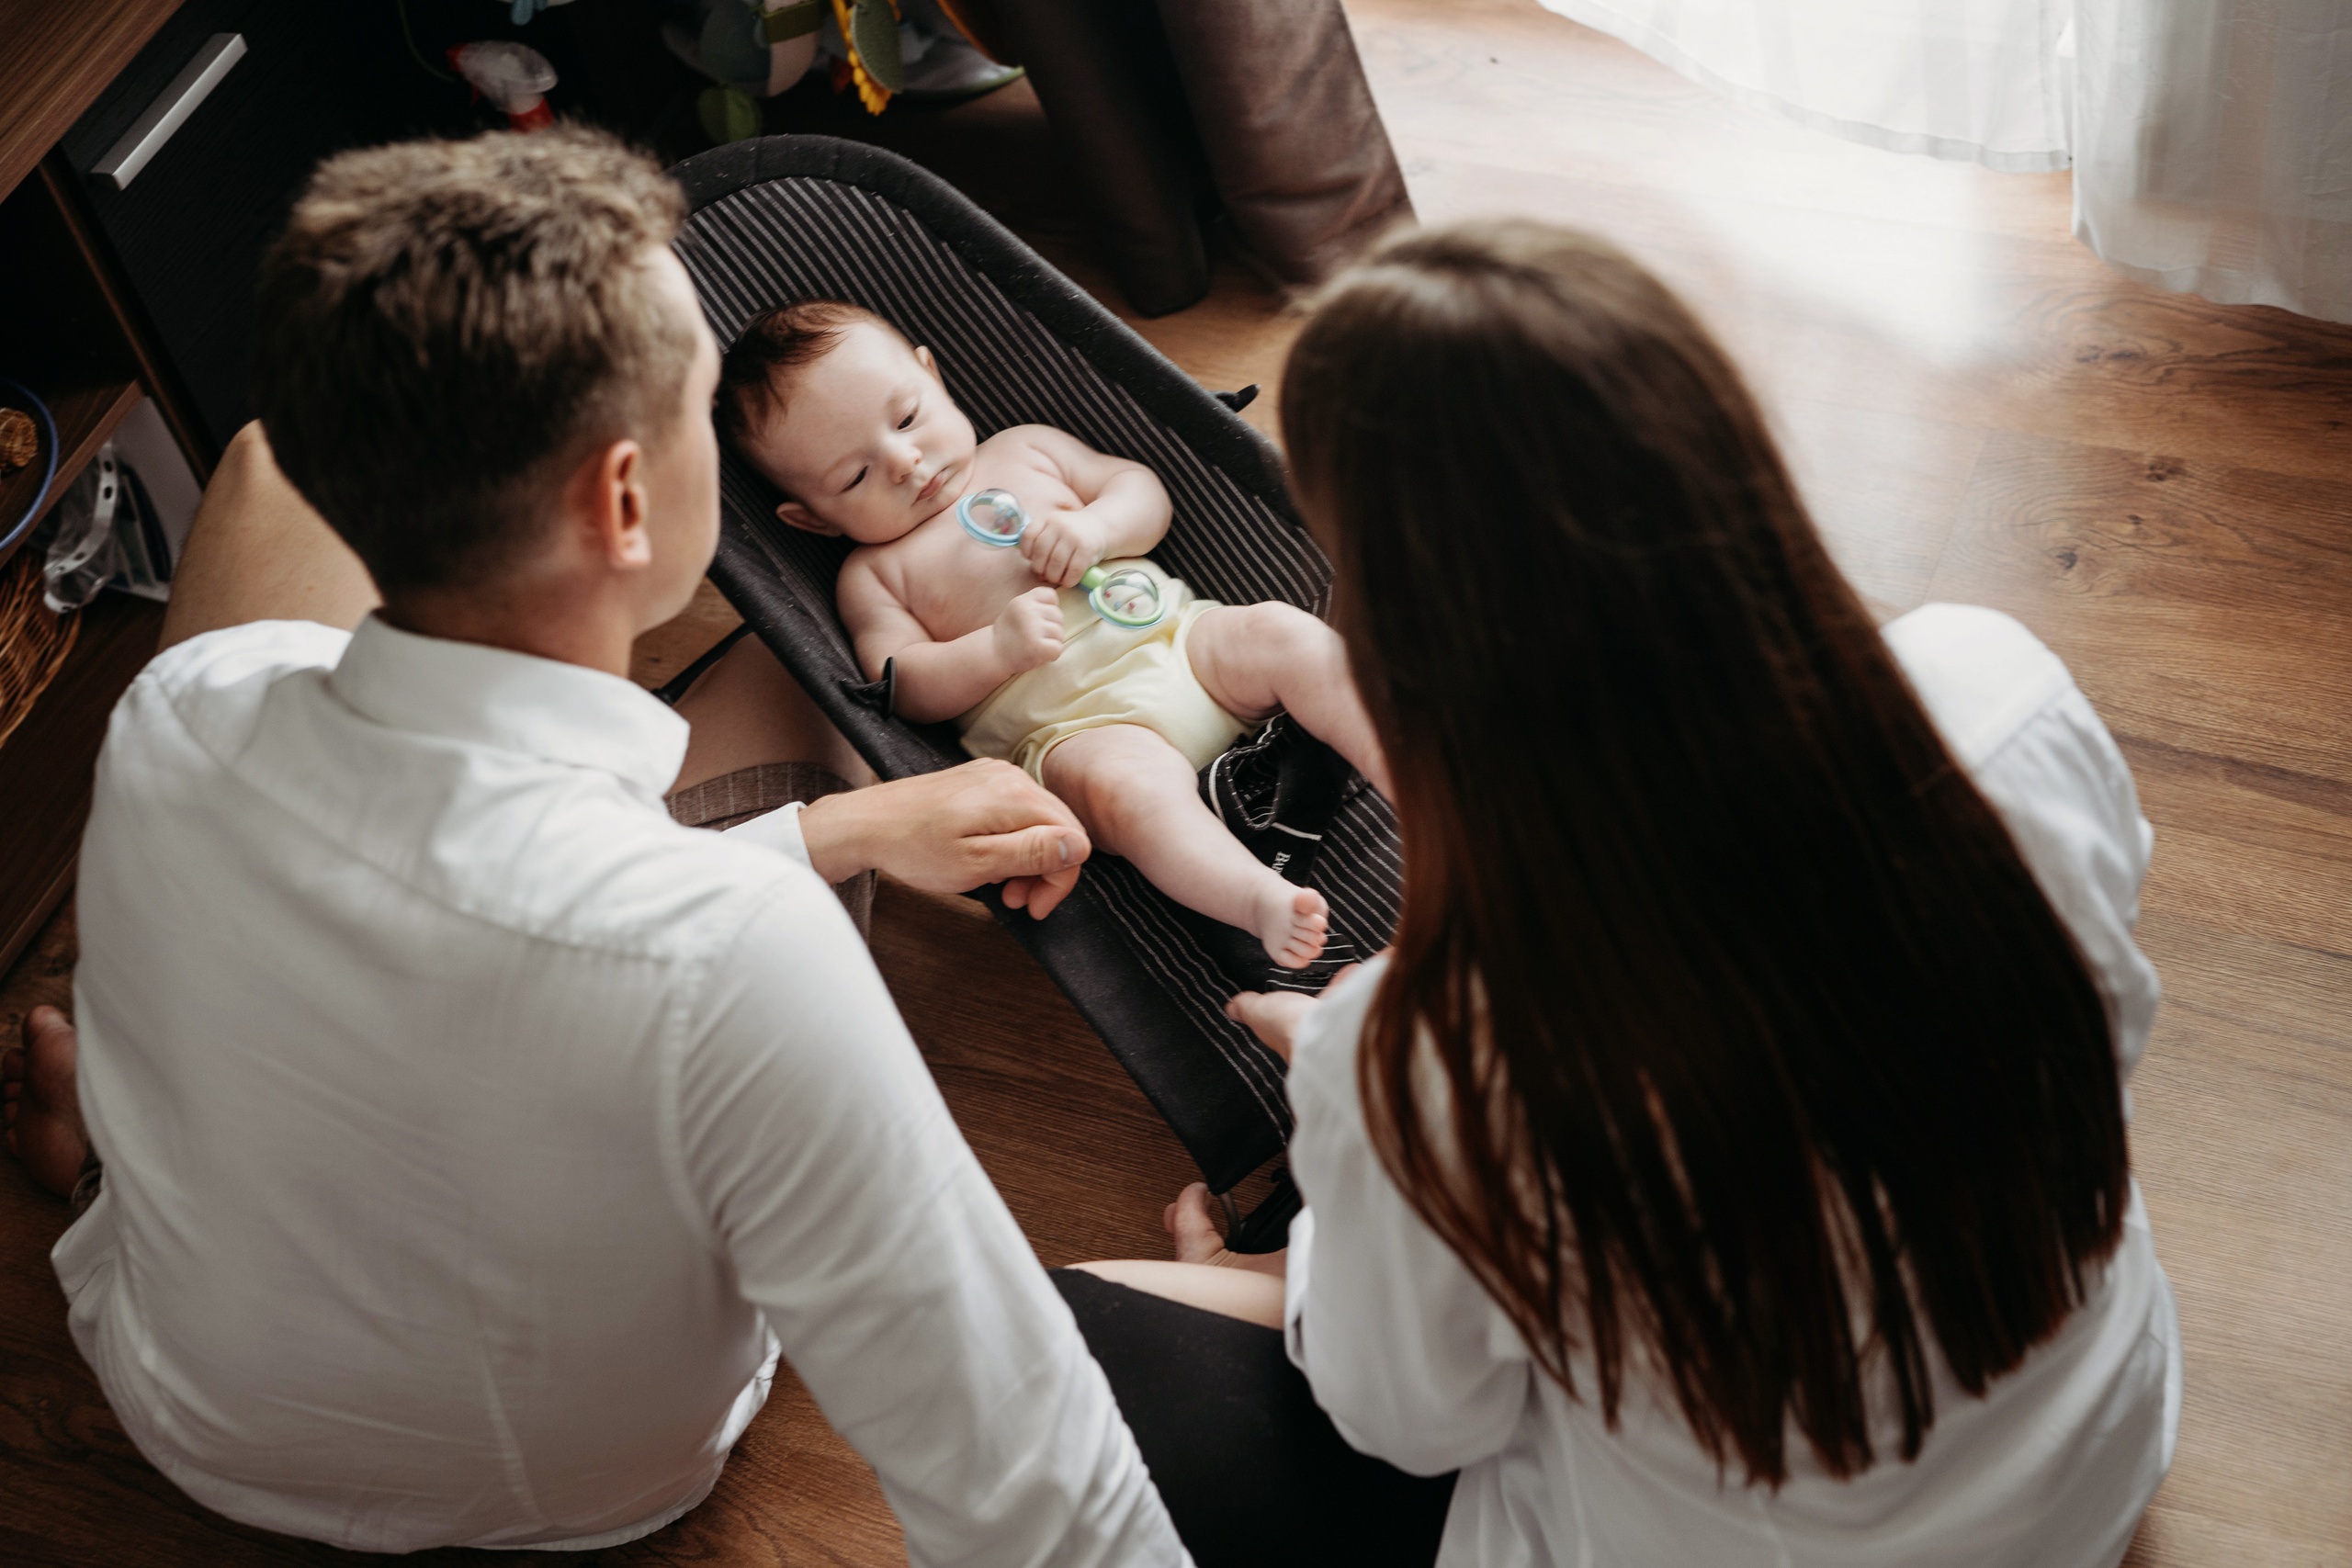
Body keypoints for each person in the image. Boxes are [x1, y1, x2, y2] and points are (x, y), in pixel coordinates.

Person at [0, 127, 1190, 1563]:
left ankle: (107, 1157)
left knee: (257, 479)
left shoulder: (181, 705)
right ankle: (108, 1145)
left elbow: (506, 932)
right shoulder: (742, 956)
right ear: (628, 500)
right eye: (698, 407)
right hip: (566, 1491)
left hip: (178, 1394)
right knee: (800, 700)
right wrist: (832, 836)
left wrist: (832, 832)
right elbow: (1041, 1490)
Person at [1073, 220, 2180, 1567]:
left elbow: (1409, 1423)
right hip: (2088, 1451)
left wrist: (1348, 1143)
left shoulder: (1429, 1058)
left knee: (1068, 1326)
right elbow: (2090, 1020)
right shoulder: (1995, 692)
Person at [719, 300, 1389, 969]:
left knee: (1281, 631)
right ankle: (1256, 898)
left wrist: (1097, 528)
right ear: (813, 519)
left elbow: (1141, 490)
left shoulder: (1026, 448)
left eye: (907, 418)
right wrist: (994, 651)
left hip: (1183, 642)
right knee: (1127, 794)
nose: (904, 460)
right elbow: (904, 687)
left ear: (933, 375)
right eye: (854, 475)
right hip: (1079, 733)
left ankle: (1401, 762)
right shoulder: (875, 574)